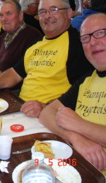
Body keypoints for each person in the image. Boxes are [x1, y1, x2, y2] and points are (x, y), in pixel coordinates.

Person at [0, 0, 94, 117]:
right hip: (20, 106)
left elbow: (82, 92)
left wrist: (46, 107)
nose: (47, 16)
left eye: (53, 10)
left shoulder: (78, 44)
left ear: (69, 12)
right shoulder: (36, 44)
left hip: (48, 115)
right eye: (42, 12)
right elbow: (15, 73)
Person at [39, 13, 106, 174]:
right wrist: (75, 137)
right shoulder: (86, 81)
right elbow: (46, 113)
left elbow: (72, 121)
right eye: (85, 38)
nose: (93, 42)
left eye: (100, 33)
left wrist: (79, 125)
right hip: (78, 167)